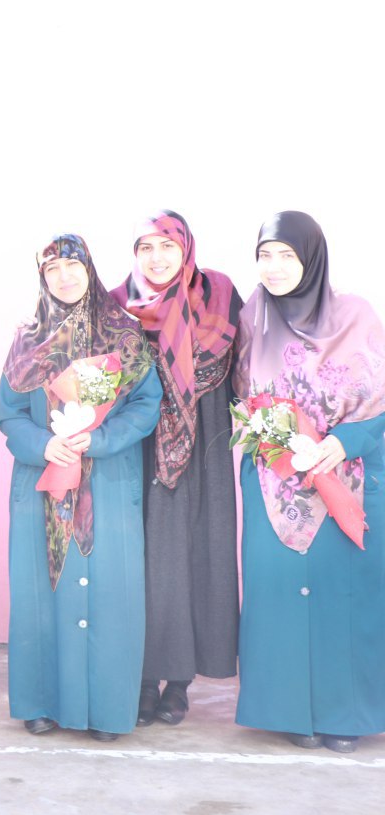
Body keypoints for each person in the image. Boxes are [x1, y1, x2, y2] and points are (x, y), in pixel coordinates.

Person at [0, 234, 161, 741]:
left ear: (89, 269)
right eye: (53, 269)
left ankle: (107, 710)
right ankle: (41, 704)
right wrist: (44, 445)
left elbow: (146, 405)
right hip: (43, 482)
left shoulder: (122, 335)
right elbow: (8, 415)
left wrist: (101, 438)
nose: (64, 276)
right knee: (40, 596)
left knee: (111, 595)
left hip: (107, 482)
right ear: (42, 278)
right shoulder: (27, 338)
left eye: (73, 265)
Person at [233, 211, 385, 754]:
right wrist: (276, 443)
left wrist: (342, 442)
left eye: (286, 256)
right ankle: (289, 710)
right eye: (264, 256)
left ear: (313, 259)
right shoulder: (252, 318)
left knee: (343, 596)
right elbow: (239, 395)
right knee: (280, 595)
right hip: (274, 478)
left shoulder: (356, 315)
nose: (273, 268)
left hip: (347, 472)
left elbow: (380, 399)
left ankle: (346, 715)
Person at [110, 211, 243, 726]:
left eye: (167, 246)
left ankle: (180, 681)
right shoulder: (117, 305)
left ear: (185, 249)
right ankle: (145, 678)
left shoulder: (221, 296)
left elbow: (249, 364)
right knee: (145, 559)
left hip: (205, 443)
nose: (157, 257)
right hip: (139, 444)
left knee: (195, 554)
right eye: (145, 247)